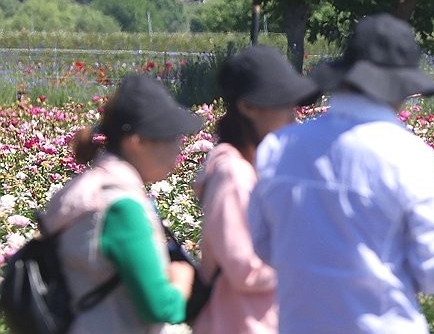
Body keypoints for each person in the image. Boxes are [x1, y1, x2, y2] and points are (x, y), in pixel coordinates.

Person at [248, 13, 434, 333]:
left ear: (344, 77)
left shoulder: (279, 147)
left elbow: (263, 246)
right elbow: (433, 274)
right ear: (401, 89)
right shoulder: (410, 156)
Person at [40, 74, 203, 333]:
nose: (178, 149)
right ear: (137, 142)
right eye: (171, 138)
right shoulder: (121, 207)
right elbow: (160, 307)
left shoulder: (85, 187)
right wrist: (182, 280)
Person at [191, 45, 320, 334]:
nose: (293, 117)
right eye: (284, 105)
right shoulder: (234, 174)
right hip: (241, 323)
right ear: (247, 107)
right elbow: (245, 269)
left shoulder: (246, 169)